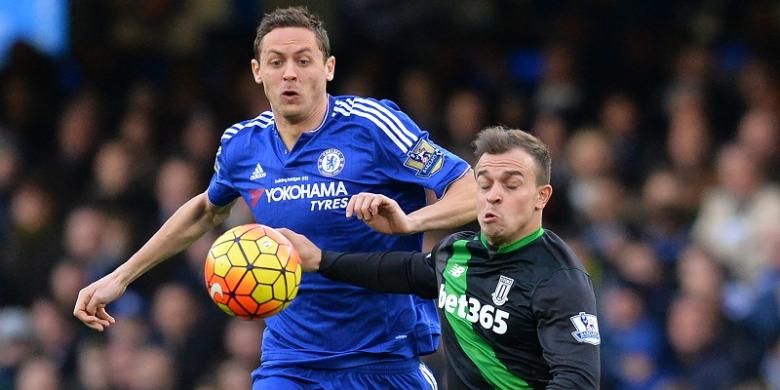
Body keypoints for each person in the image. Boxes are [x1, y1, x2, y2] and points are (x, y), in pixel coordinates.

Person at [73, 6, 477, 390]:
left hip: (383, 358)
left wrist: (410, 223)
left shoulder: (373, 126)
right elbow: (204, 210)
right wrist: (119, 276)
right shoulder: (242, 145)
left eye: (304, 61)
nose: (290, 74)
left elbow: (471, 189)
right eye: (277, 62)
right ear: (257, 71)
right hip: (290, 361)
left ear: (328, 68)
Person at [279, 126, 601, 389]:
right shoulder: (457, 253)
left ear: (541, 197)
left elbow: (577, 381)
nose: (494, 195)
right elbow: (399, 271)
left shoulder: (558, 278)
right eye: (484, 184)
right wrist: (321, 259)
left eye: (511, 185)